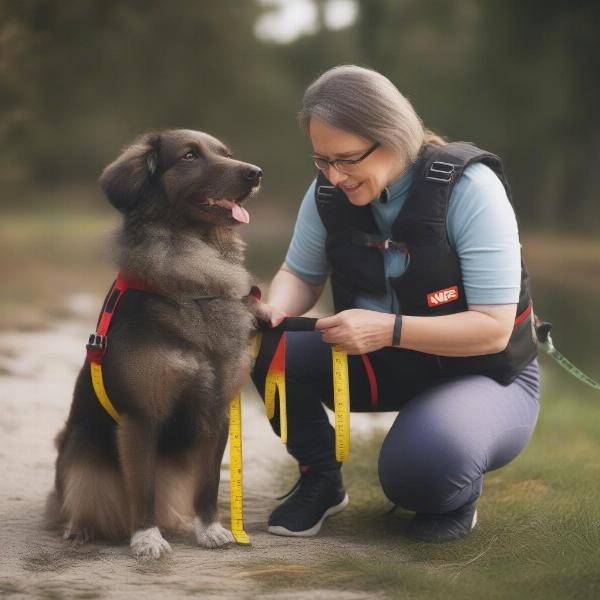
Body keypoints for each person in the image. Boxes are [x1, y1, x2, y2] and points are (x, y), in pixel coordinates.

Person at [251, 65, 540, 543]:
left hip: (484, 372)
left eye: (345, 159)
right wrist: (273, 312)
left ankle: (454, 480)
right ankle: (320, 479)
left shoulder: (471, 190)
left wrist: (387, 329)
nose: (333, 175)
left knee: (419, 474)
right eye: (321, 160)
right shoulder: (327, 188)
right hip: (382, 361)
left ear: (392, 136)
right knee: (274, 351)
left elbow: (492, 329)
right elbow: (300, 275)